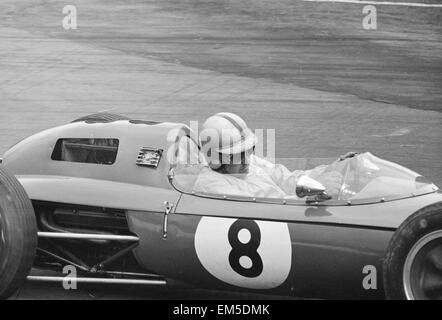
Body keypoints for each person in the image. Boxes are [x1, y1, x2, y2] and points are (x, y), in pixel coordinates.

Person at [191, 112, 344, 199]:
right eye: (237, 154)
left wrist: (327, 170)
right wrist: (310, 197)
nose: (246, 160)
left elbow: (285, 178)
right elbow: (266, 207)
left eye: (248, 151)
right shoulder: (212, 186)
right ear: (217, 160)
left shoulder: (247, 162)